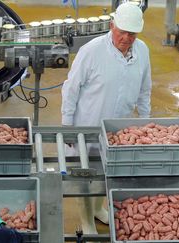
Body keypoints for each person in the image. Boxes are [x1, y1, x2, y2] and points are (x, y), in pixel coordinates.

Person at [61, 2, 152, 234]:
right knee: (84, 173)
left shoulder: (142, 51)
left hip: (119, 130)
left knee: (108, 171)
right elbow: (71, 89)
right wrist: (67, 125)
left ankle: (98, 208)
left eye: (132, 34)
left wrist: (145, 123)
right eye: (122, 32)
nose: (126, 38)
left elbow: (144, 89)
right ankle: (86, 220)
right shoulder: (91, 51)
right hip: (87, 125)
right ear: (112, 26)